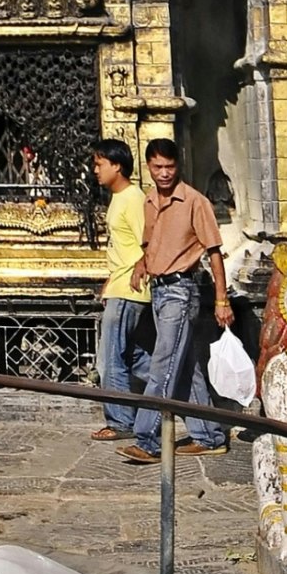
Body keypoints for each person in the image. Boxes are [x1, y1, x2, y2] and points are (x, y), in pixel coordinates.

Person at [130, 136, 229, 457]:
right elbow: (150, 244)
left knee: (163, 365)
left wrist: (221, 300)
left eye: (169, 167)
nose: (164, 173)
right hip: (158, 290)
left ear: (178, 166)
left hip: (181, 291)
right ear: (148, 167)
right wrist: (141, 265)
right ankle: (209, 435)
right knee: (185, 366)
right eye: (157, 167)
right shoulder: (147, 201)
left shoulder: (195, 201)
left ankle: (147, 439)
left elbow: (214, 253)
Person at [88, 141, 155, 452]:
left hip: (129, 290)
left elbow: (148, 241)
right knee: (134, 357)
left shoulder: (132, 198)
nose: (95, 170)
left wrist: (136, 272)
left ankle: (120, 422)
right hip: (120, 285)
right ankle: (176, 391)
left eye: (100, 164)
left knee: (110, 358)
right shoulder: (118, 199)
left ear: (117, 165)